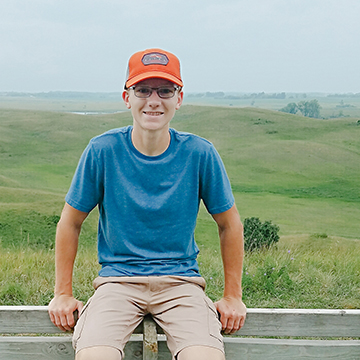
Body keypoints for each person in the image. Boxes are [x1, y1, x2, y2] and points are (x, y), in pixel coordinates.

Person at [48, 48, 246, 360]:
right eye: (142, 90)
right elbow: (70, 222)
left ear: (178, 98)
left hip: (182, 284)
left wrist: (232, 296)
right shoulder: (102, 151)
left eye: (165, 90)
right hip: (117, 283)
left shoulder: (199, 154)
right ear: (127, 97)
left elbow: (229, 223)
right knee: (95, 356)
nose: (153, 100)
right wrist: (63, 293)